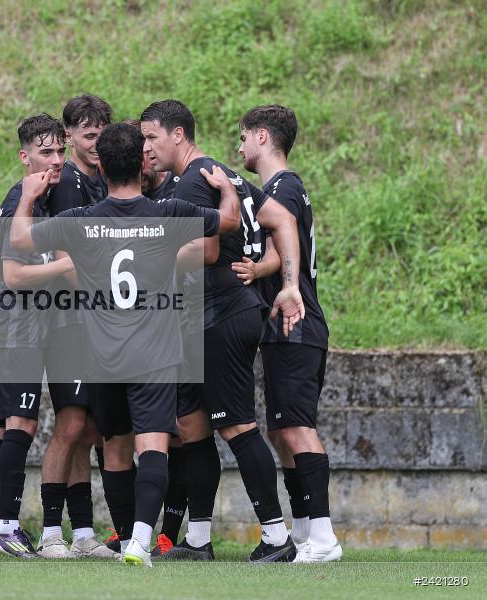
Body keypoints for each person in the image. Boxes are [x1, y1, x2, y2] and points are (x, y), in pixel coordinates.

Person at [10, 122, 242, 567]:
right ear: (141, 164)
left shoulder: (80, 220)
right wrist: (227, 190)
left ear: (101, 167)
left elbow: (19, 237)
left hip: (102, 354)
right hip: (155, 351)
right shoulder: (169, 212)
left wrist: (27, 196)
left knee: (115, 447)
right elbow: (228, 223)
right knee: (152, 445)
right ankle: (139, 542)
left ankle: (124, 537)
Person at [141, 99, 304, 562]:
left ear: (178, 135)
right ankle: (197, 540)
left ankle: (277, 537)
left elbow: (208, 251)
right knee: (191, 427)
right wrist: (282, 278)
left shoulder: (197, 179)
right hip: (209, 319)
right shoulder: (224, 176)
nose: (146, 147)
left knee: (237, 427)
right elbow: (282, 220)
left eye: (151, 137)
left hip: (221, 317)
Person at [0, 114, 75, 558]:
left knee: (2, 428)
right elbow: (13, 275)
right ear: (25, 157)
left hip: (26, 324)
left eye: (60, 151)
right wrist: (67, 265)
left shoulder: (43, 200)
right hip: (15, 324)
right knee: (21, 424)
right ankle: (6, 527)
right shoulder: (19, 200)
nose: (56, 160)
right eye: (46, 152)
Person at [236, 104, 341, 562]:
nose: (239, 146)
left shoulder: (283, 187)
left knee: (298, 428)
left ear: (262, 136)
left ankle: (324, 538)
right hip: (282, 327)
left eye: (243, 137)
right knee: (282, 432)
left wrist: (267, 275)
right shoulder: (278, 189)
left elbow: (283, 244)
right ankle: (303, 532)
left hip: (297, 323)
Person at [36, 95, 118, 558]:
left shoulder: (102, 179)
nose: (96, 143)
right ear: (68, 137)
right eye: (88, 135)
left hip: (94, 323)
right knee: (69, 425)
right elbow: (64, 256)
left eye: (102, 135)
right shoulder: (68, 181)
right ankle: (51, 532)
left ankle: (83, 533)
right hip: (69, 320)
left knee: (89, 429)